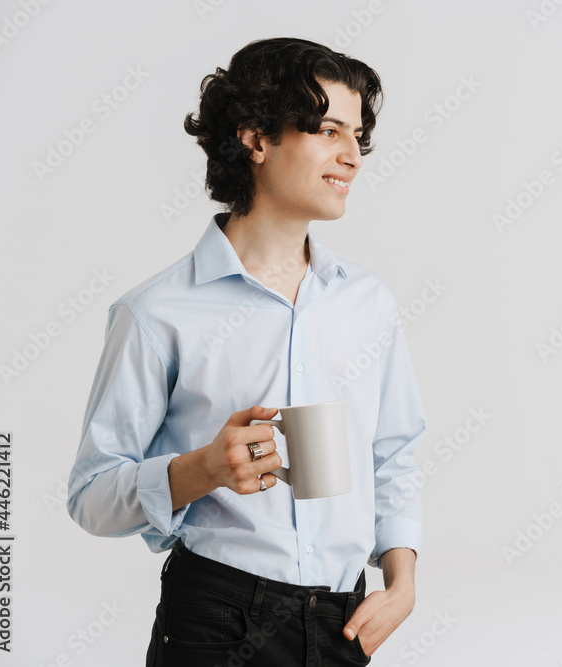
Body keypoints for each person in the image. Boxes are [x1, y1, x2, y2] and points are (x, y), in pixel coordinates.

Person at [67, 37, 426, 665]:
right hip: (217, 620)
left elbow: (392, 453)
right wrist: (201, 469)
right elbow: (91, 496)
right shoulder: (156, 312)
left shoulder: (366, 302)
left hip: (345, 623)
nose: (353, 155)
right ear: (256, 139)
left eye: (358, 135)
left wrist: (403, 581)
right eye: (328, 130)